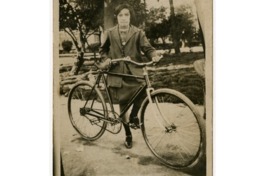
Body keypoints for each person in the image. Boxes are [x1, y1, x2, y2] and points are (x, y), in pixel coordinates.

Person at [99, 3, 160, 149]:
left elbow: (148, 48)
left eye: (127, 15)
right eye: (121, 15)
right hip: (117, 72)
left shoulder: (138, 32)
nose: (124, 18)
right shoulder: (110, 32)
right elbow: (103, 50)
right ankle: (127, 134)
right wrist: (106, 59)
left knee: (142, 92)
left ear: (130, 17)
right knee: (123, 104)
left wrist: (154, 55)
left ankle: (134, 116)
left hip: (134, 71)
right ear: (117, 17)